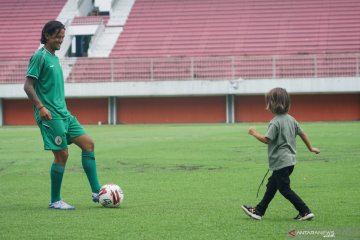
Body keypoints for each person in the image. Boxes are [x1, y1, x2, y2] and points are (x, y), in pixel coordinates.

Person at [24, 20, 102, 210]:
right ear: (48, 35)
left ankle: (97, 191)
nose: (61, 40)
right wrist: (41, 107)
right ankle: (55, 200)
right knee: (62, 155)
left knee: (88, 144)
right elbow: (28, 86)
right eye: (58, 36)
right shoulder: (39, 57)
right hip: (51, 116)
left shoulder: (54, 58)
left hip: (64, 114)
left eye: (62, 37)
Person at [241, 87, 320, 221]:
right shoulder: (292, 119)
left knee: (284, 189)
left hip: (280, 162)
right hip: (290, 162)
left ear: (271, 104)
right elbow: (302, 133)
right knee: (272, 186)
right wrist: (310, 148)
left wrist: (254, 133)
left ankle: (305, 211)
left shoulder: (275, 122)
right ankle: (258, 211)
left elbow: (267, 140)